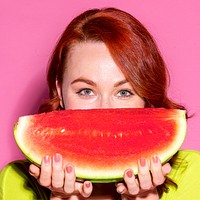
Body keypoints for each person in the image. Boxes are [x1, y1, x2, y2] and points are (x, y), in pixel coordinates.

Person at [0, 7, 200, 200]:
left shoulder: (192, 174)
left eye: (124, 92)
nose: (105, 109)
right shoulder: (16, 181)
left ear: (145, 98)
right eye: (86, 91)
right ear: (60, 92)